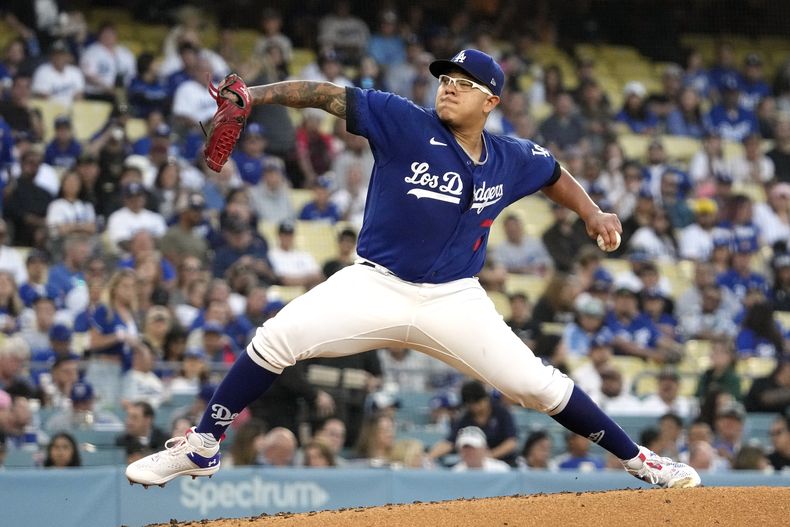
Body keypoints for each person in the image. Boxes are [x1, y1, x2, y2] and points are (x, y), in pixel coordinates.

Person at [126, 48, 700, 489]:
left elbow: (552, 174)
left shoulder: (510, 156)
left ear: (491, 102)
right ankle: (203, 444)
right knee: (275, 339)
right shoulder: (403, 120)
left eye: (464, 84)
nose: (449, 88)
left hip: (455, 299)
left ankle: (640, 460)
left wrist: (593, 211)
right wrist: (254, 94)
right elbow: (324, 95)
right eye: (445, 80)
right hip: (376, 283)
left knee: (536, 385)